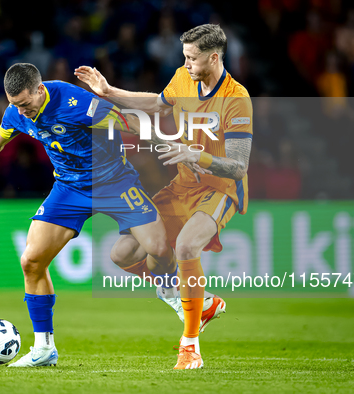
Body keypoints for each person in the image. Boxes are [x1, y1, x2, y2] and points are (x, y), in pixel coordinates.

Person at [0, 63, 197, 367]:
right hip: (70, 188)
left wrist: (173, 143)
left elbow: (128, 122)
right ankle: (44, 348)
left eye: (26, 103)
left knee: (158, 248)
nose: (22, 112)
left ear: (40, 90)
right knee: (31, 261)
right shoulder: (16, 111)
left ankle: (170, 288)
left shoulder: (76, 103)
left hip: (113, 181)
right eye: (15, 105)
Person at [75, 23, 253, 369]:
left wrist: (195, 156)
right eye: (184, 56)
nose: (186, 63)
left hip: (219, 189)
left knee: (186, 247)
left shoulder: (236, 99)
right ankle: (193, 300)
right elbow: (156, 104)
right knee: (122, 253)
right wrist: (109, 91)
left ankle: (190, 347)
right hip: (183, 184)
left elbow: (239, 167)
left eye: (192, 57)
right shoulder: (183, 78)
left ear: (214, 57)